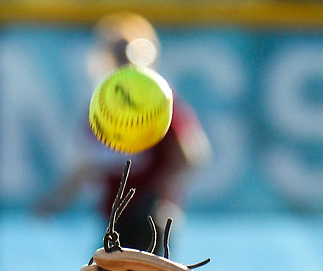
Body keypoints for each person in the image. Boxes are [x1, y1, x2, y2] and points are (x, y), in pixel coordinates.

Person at [36, 12, 211, 256]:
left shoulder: (157, 103)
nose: (125, 60)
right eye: (118, 52)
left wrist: (159, 197)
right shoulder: (101, 109)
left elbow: (191, 156)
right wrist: (53, 202)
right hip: (115, 221)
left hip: (149, 219)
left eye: (133, 51)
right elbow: (87, 166)